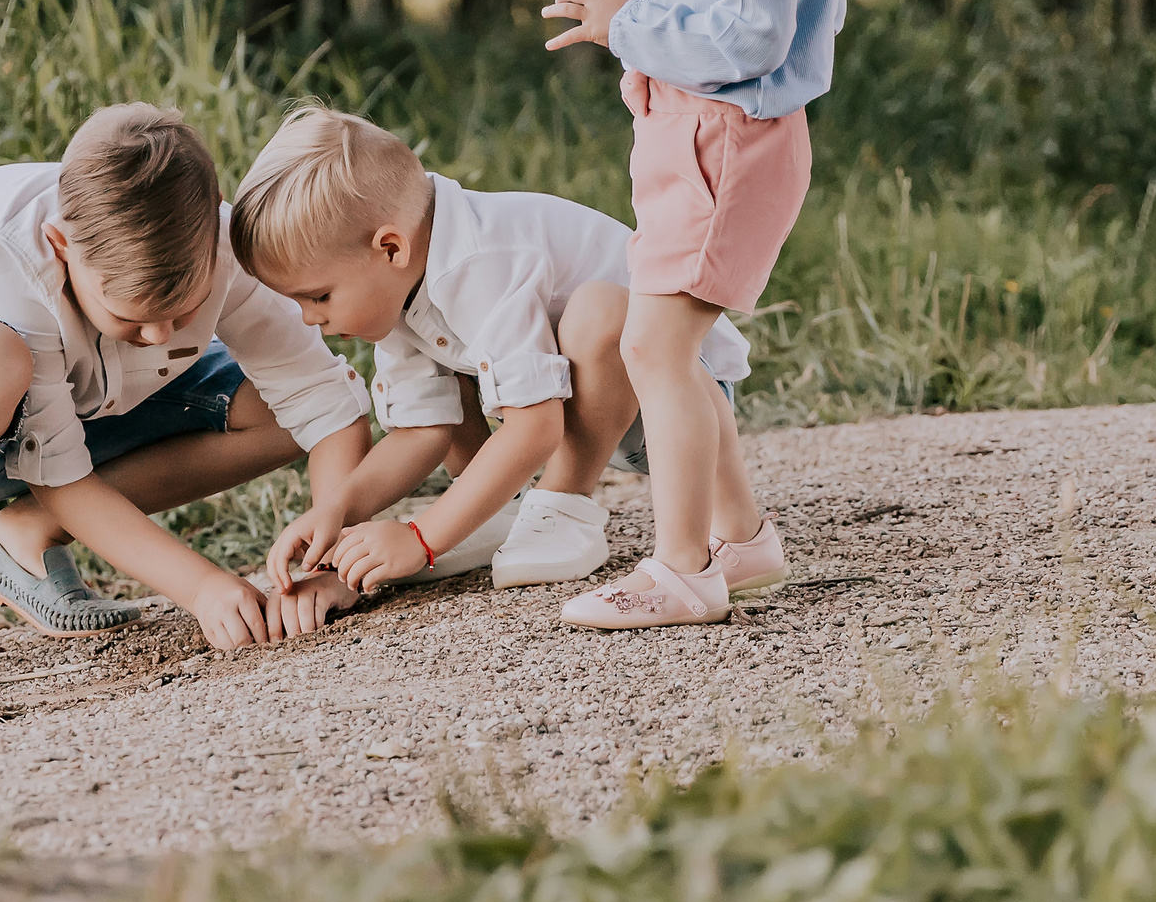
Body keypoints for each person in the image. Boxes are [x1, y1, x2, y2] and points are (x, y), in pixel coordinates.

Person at [0, 103, 372, 728]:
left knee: (276, 409)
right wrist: (201, 586)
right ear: (61, 247)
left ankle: (23, 535)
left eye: (183, 309)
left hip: (69, 401)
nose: (160, 335)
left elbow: (324, 403)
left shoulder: (219, 242)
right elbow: (61, 474)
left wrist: (332, 562)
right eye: (131, 316)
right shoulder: (4, 261)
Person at [536, 0, 853, 630]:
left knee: (654, 348)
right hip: (704, 145)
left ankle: (681, 568)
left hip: (725, 147)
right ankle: (741, 539)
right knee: (673, 345)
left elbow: (744, 41)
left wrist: (626, 23)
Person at [228, 105, 763, 598]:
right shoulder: (396, 284)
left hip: (676, 410)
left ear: (390, 248)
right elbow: (421, 431)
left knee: (598, 311)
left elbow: (536, 427)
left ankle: (563, 506)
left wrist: (423, 537)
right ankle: (494, 511)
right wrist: (337, 508)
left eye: (318, 297)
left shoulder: (480, 260)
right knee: (448, 370)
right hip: (596, 407)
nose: (310, 318)